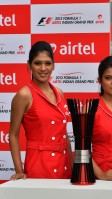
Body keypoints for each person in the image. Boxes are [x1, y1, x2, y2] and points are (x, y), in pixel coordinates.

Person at [9, 41, 72, 180]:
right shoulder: (24, 95)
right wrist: (19, 170)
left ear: (53, 65)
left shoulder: (60, 93)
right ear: (29, 65)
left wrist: (73, 166)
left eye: (48, 63)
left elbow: (64, 134)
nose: (43, 68)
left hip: (64, 165)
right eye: (37, 63)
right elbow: (13, 134)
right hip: (39, 166)